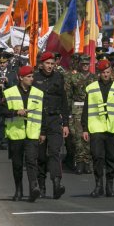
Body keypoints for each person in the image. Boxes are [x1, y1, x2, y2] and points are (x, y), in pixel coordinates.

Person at [82, 59, 114, 198]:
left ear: (111, 73)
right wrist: (85, 128)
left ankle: (109, 186)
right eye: (103, 72)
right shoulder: (91, 88)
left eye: (108, 72)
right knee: (97, 156)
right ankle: (98, 185)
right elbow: (86, 109)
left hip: (113, 128)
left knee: (112, 157)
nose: (105, 75)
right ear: (99, 73)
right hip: (96, 127)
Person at [0, 65, 44, 202]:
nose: (31, 79)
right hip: (16, 134)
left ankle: (33, 188)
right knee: (17, 164)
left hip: (32, 133)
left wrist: (43, 132)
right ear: (20, 78)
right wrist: (15, 112)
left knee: (31, 161)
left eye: (32, 77)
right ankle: (18, 190)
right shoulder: (9, 92)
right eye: (28, 77)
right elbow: (1, 111)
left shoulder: (38, 93)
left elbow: (43, 114)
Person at [32, 51, 70, 200]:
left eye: (52, 64)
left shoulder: (59, 77)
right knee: (41, 156)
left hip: (54, 120)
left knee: (55, 152)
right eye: (47, 63)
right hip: (38, 120)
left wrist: (66, 123)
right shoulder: (34, 78)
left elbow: (64, 101)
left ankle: (56, 184)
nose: (49, 66)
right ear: (42, 64)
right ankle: (41, 186)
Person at [65, 54, 96, 174]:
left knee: (88, 136)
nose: (85, 66)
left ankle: (87, 162)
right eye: (83, 64)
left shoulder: (95, 78)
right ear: (80, 65)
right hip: (77, 109)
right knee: (77, 137)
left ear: (90, 64)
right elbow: (68, 95)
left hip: (91, 110)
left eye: (87, 64)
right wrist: (67, 112)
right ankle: (79, 162)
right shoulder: (73, 78)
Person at [0, 51, 17, 150]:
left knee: (6, 122)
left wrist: (8, 82)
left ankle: (5, 142)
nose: (2, 64)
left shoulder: (13, 73)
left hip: (8, 101)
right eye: (0, 63)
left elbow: (16, 86)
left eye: (4, 62)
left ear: (7, 63)